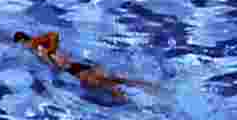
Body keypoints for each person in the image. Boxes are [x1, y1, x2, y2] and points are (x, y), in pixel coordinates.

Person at [14, 31, 160, 102]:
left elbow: (53, 39)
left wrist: (52, 58)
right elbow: (53, 37)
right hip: (77, 66)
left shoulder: (37, 47)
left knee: (102, 83)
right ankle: (147, 85)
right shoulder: (38, 45)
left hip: (74, 69)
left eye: (21, 43)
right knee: (110, 80)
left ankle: (127, 96)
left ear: (23, 41)